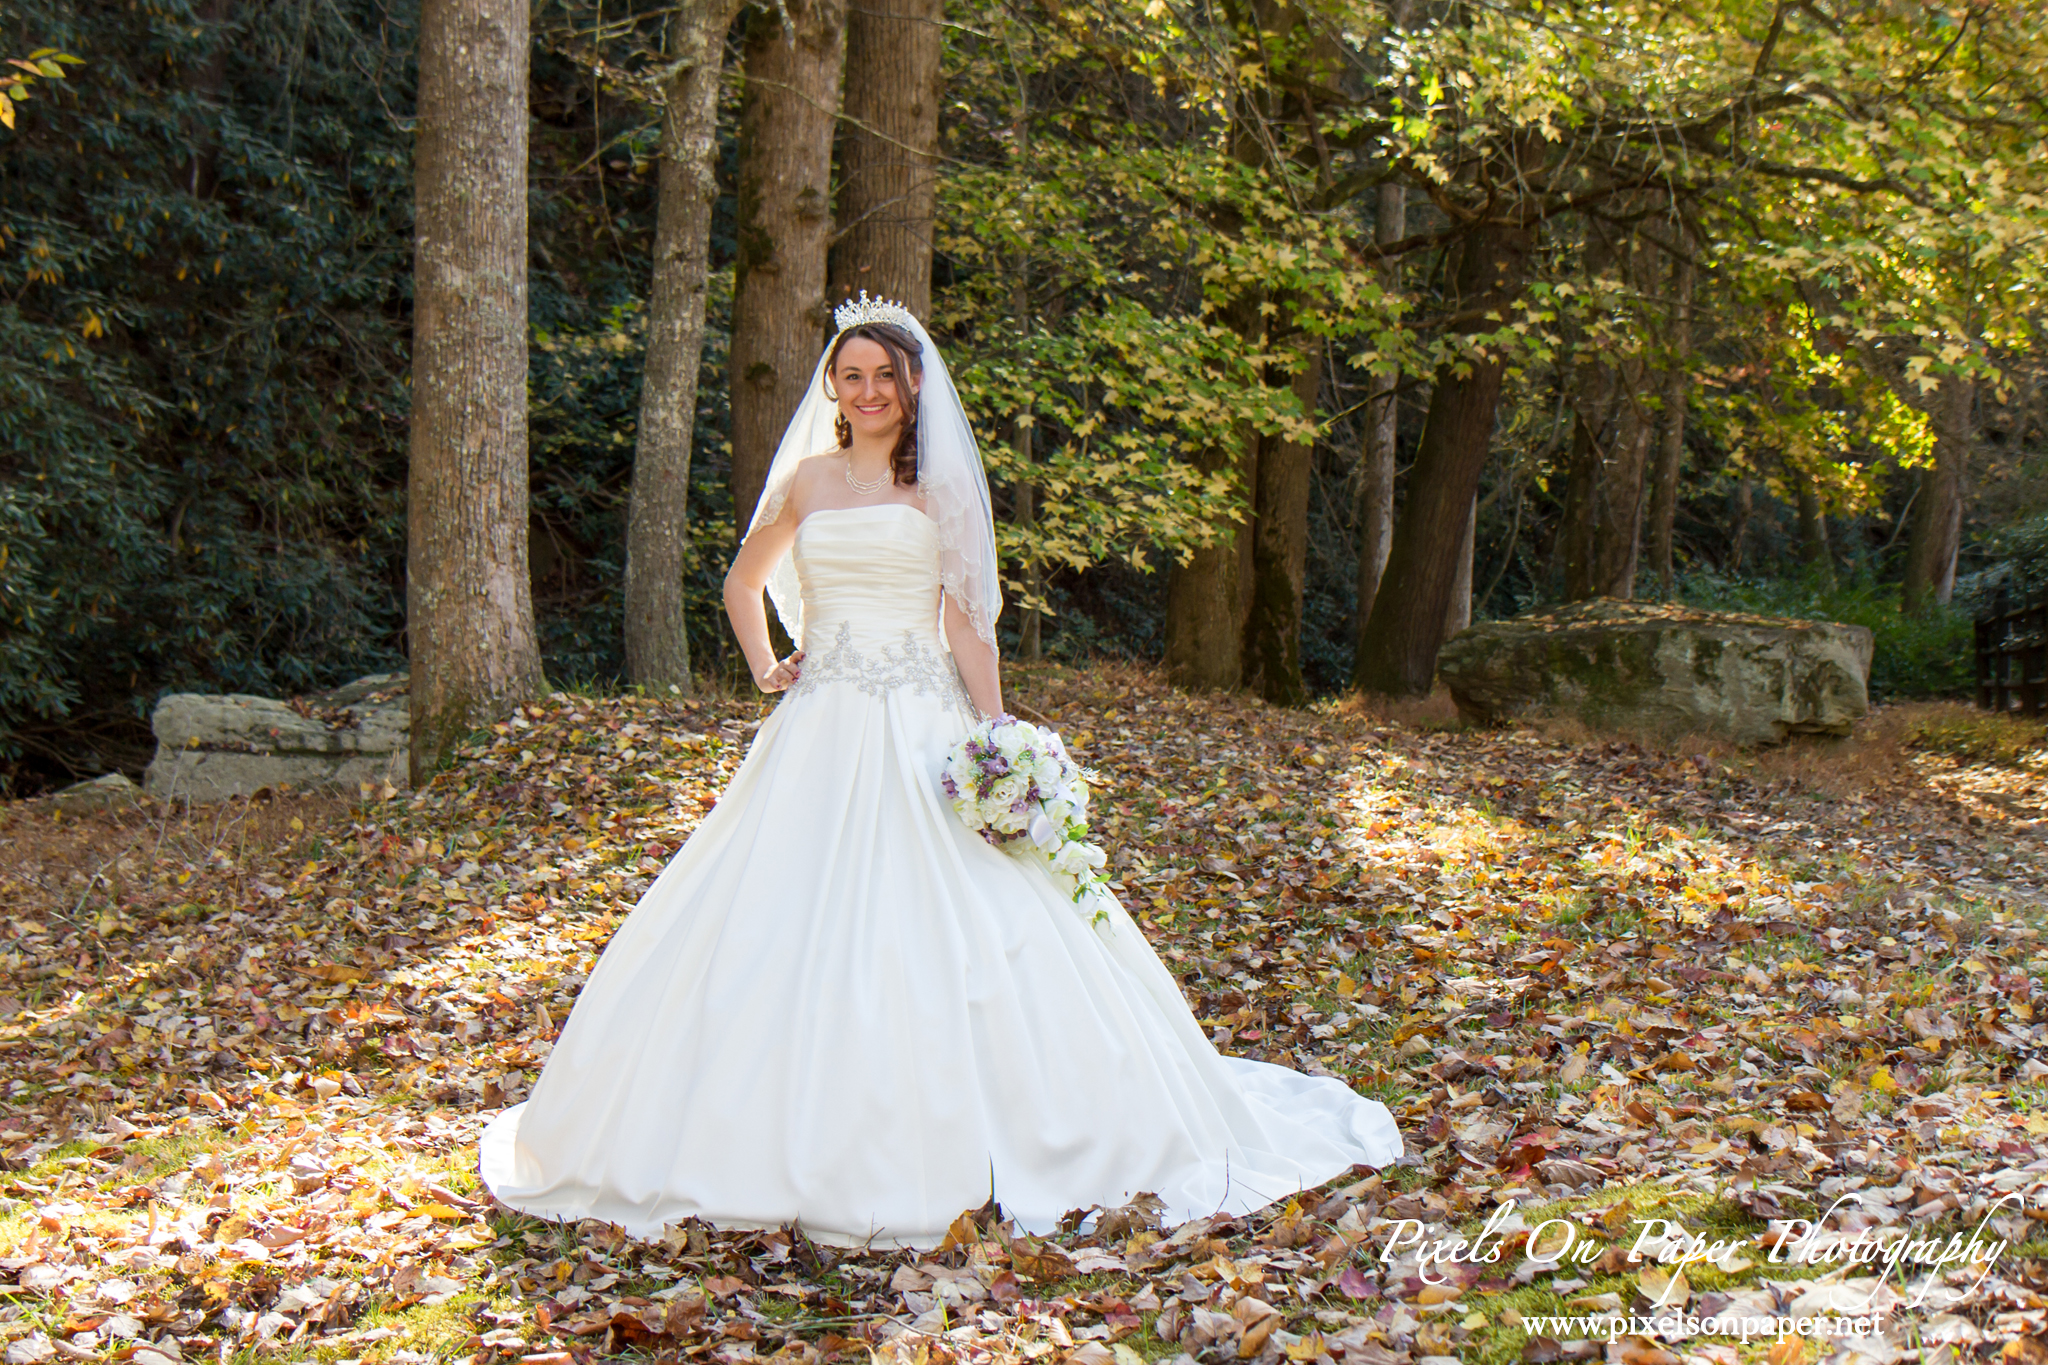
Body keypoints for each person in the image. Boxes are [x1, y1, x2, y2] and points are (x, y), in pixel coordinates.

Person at [477, 296, 1401, 1248]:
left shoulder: (941, 492)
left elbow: (965, 622)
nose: (868, 390)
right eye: (852, 375)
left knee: (971, 916)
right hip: (820, 719)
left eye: (885, 374)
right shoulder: (807, 482)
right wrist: (766, 663)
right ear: (833, 387)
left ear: (913, 384)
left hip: (922, 723)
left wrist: (998, 731)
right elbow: (742, 582)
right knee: (764, 915)